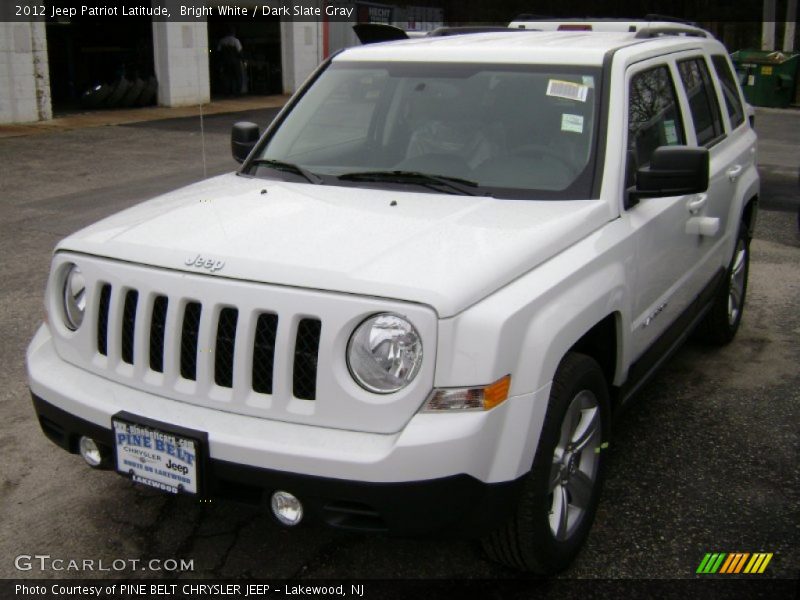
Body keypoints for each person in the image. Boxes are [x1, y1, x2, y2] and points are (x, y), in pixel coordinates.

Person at [217, 26, 243, 96]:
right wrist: (242, 60)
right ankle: (237, 92)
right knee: (238, 77)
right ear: (233, 33)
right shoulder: (236, 41)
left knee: (227, 77)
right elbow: (240, 52)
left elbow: (219, 52)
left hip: (225, 61)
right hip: (235, 61)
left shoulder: (222, 41)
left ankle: (228, 92)